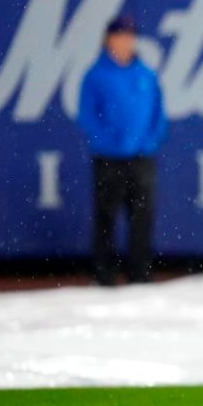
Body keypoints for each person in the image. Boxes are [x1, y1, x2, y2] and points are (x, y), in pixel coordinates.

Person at [77, 15, 167, 286]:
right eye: (119, 35)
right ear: (108, 39)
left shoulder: (146, 75)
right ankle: (104, 275)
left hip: (141, 159)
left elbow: (159, 114)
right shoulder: (96, 75)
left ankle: (140, 274)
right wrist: (110, 143)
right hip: (108, 159)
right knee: (106, 216)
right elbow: (88, 116)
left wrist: (148, 142)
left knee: (142, 218)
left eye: (129, 35)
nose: (125, 41)